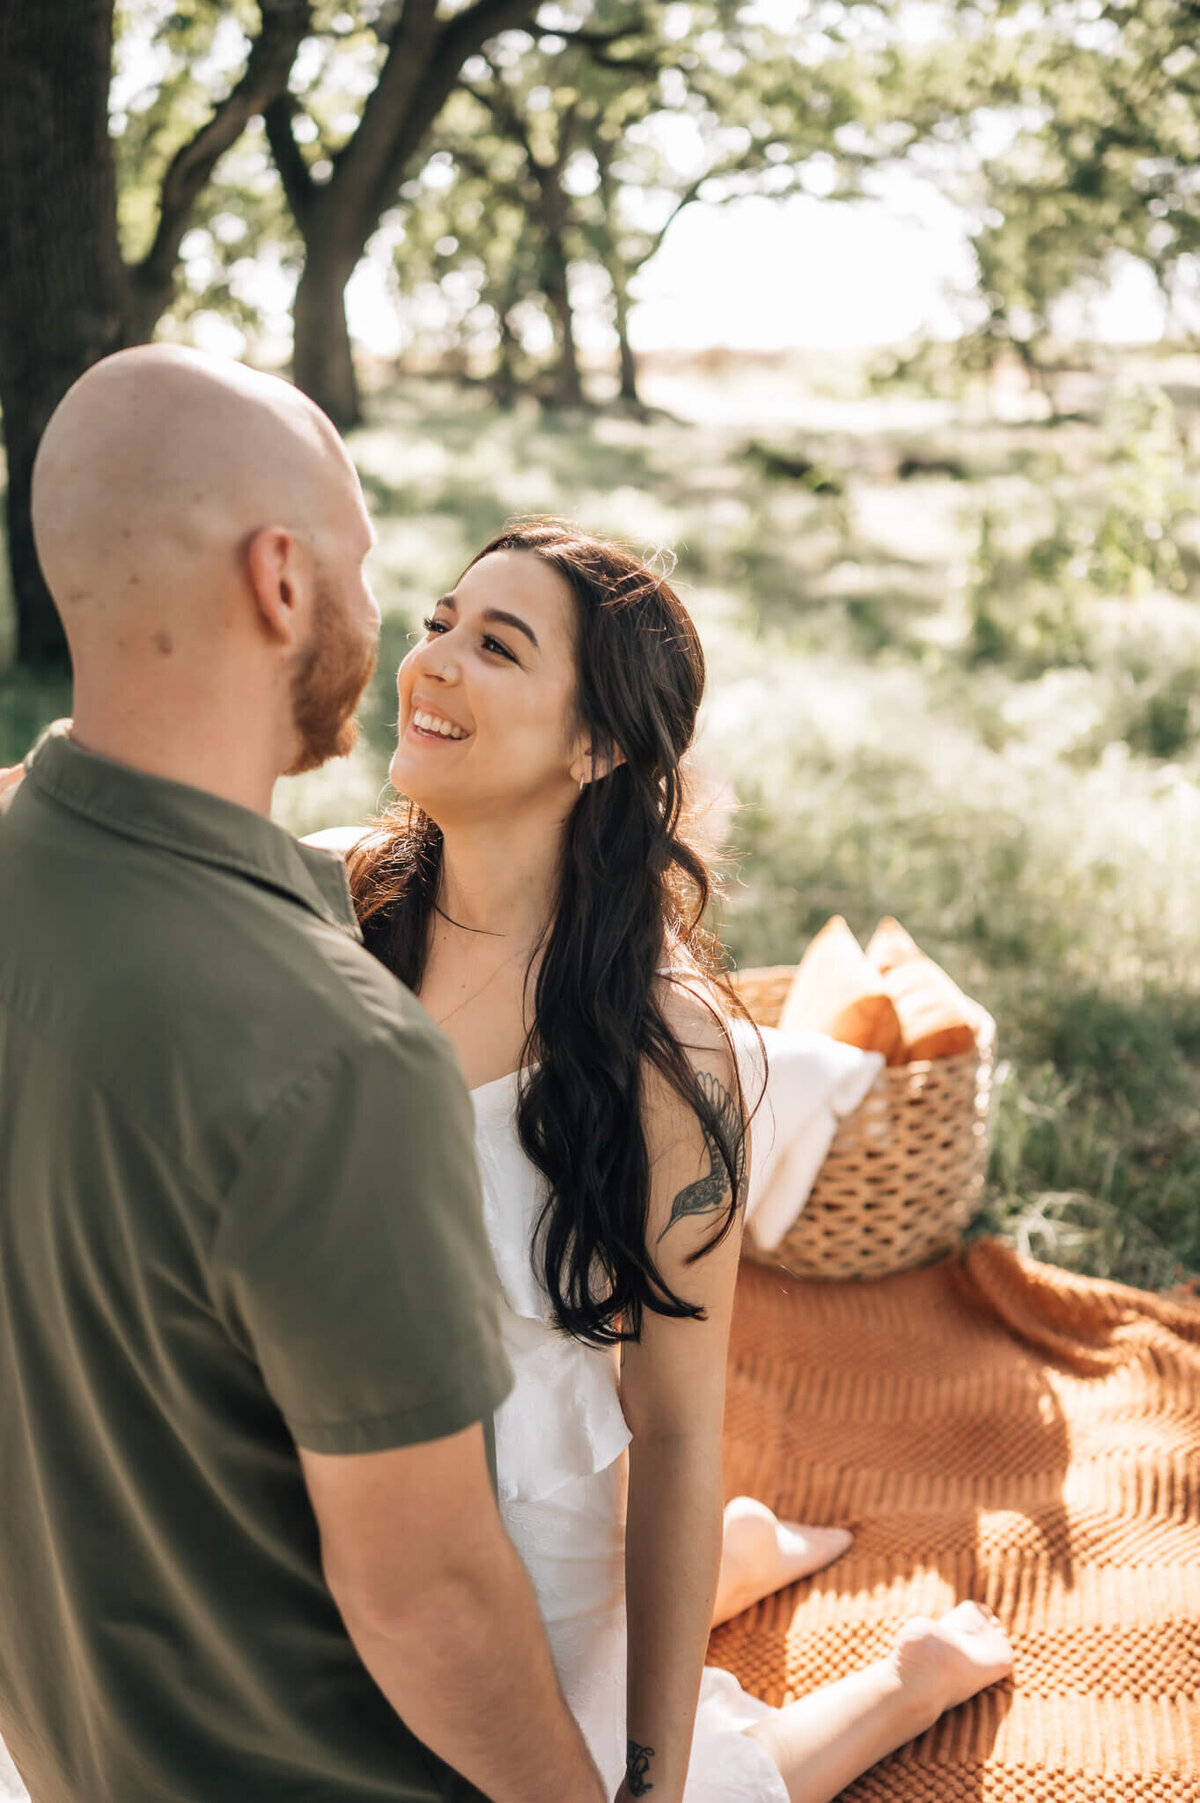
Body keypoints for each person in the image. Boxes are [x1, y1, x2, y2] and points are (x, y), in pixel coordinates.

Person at [0, 348, 609, 1803]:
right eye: (364, 557)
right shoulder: (338, 1054)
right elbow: (432, 1601)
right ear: (282, 579)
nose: (388, 615)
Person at [326, 520, 1015, 1803]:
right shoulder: (330, 902)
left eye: (497, 645)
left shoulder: (671, 1049)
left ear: (598, 746)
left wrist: (650, 1776)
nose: (430, 666)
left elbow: (681, 1424)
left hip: (515, 1547)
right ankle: (744, 1567)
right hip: (304, 1518)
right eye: (436, 624)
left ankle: (898, 1681)